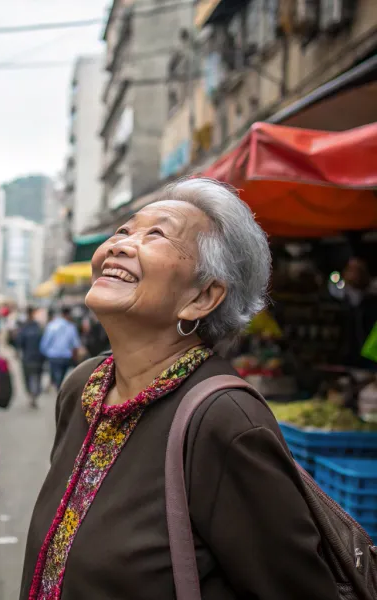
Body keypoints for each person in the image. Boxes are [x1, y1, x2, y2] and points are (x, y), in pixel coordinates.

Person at [20, 178, 338, 599]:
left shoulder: (226, 421)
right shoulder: (84, 384)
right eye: (124, 230)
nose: (120, 245)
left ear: (202, 297)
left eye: (156, 234)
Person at [39, 307, 80, 389]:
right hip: (66, 357)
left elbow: (45, 343)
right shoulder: (71, 327)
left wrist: (45, 353)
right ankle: (59, 390)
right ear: (68, 315)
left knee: (57, 377)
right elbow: (76, 344)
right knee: (62, 377)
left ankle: (58, 389)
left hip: (53, 356)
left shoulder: (51, 325)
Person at [15, 306, 45, 407]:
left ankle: (32, 394)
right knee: (36, 376)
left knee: (28, 377)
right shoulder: (39, 327)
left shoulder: (23, 328)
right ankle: (34, 394)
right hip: (38, 357)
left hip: (27, 357)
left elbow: (19, 342)